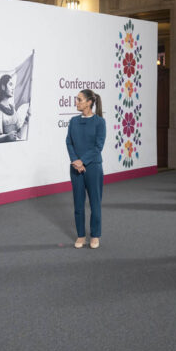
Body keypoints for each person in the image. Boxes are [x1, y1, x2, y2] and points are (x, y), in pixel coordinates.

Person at [66, 89, 106, 249]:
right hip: (76, 168)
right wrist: (75, 161)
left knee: (95, 203)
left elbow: (98, 146)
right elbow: (69, 142)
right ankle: (81, 235)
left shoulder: (99, 122)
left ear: (89, 102)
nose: (76, 102)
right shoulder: (73, 121)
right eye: (76, 99)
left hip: (93, 168)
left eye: (79, 99)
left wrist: (82, 161)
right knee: (78, 204)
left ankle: (95, 235)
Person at [0, 74, 30, 144]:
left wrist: (26, 121)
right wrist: (6, 137)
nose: (13, 88)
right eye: (10, 84)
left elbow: (19, 135)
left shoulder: (12, 110)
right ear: (3, 87)